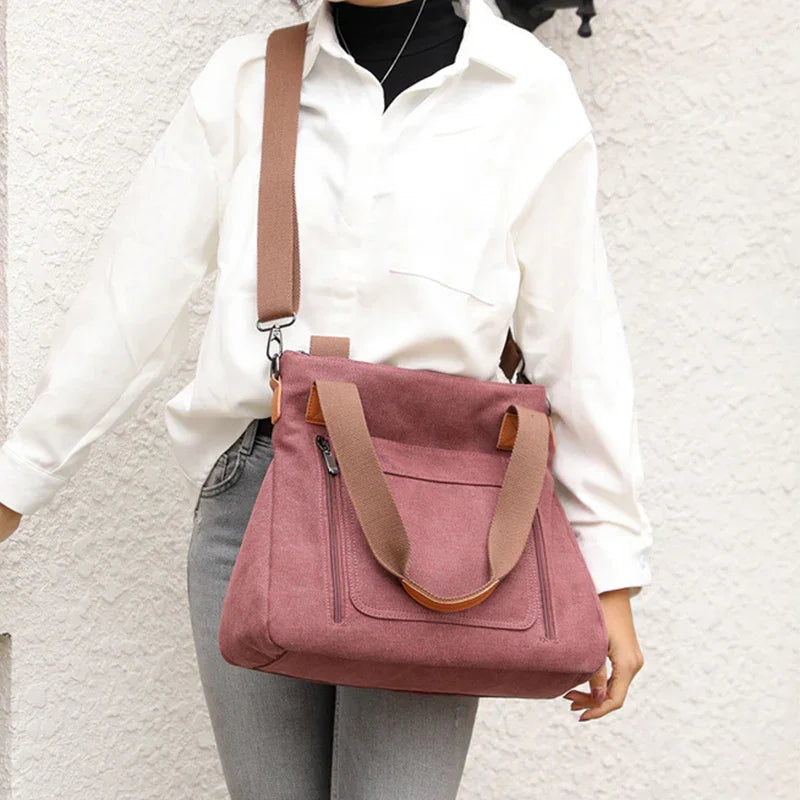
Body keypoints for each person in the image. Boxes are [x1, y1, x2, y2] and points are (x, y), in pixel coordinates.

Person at [0, 0, 652, 796]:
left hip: (440, 520)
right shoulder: (247, 80)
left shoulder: (524, 87)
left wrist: (609, 568)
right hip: (261, 496)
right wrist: (19, 478)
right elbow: (131, 300)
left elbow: (576, 336)